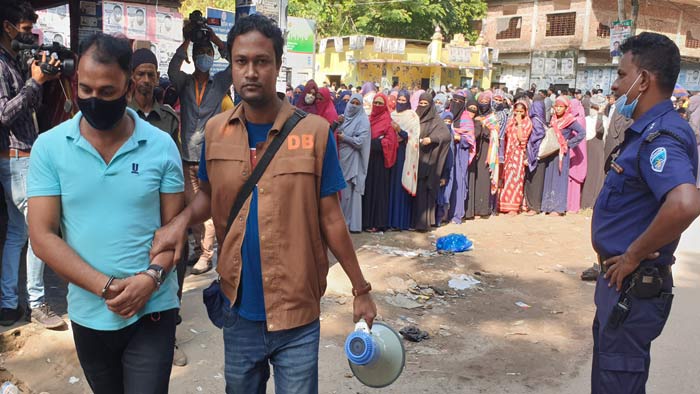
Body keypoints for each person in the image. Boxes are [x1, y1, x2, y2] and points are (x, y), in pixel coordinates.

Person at [149, 15, 377, 392]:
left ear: (277, 65)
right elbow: (208, 194)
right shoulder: (215, 132)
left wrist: (361, 289)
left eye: (261, 61)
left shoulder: (315, 133)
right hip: (238, 309)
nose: (251, 72)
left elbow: (331, 217)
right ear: (232, 67)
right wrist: (180, 221)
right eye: (241, 62)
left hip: (298, 313)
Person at [27, 33, 184, 393]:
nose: (94, 100)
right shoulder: (49, 148)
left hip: (153, 308)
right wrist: (108, 288)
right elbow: (42, 235)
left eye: (107, 92)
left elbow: (173, 228)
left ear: (128, 87)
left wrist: (151, 279)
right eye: (86, 90)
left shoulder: (160, 146)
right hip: (89, 313)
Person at [591, 32, 700, 393]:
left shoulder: (662, 136)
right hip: (620, 286)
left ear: (644, 80)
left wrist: (634, 254)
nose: (616, 84)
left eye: (623, 75)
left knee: (618, 384)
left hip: (633, 288)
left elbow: (684, 203)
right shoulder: (644, 132)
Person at [0, 0, 65, 328]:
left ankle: (9, 304)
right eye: (25, 31)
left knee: (17, 232)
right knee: (40, 230)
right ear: (7, 28)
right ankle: (37, 303)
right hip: (17, 157)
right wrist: (33, 82)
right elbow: (4, 114)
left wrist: (42, 78)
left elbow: (32, 106)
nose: (29, 37)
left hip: (24, 155)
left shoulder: (14, 60)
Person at [127, 48, 188, 367]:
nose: (147, 80)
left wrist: (183, 218)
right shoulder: (119, 115)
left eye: (152, 74)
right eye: (141, 74)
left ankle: (169, 339)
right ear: (131, 77)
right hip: (129, 210)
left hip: (163, 208)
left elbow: (176, 167)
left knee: (171, 269)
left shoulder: (168, 118)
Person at [168, 18, 230, 275]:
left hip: (210, 157)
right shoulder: (184, 83)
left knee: (208, 209)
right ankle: (198, 249)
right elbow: (172, 68)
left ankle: (206, 255)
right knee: (193, 207)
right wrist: (188, 39)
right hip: (186, 157)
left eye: (208, 53)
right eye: (200, 53)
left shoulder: (221, 83)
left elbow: (235, 57)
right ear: (194, 57)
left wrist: (214, 38)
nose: (204, 56)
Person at [412, 92, 451, 231]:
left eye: (425, 104)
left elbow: (446, 135)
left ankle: (423, 224)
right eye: (420, 103)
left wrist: (432, 139)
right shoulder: (414, 116)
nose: (422, 106)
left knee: (424, 192)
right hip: (414, 160)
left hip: (427, 161)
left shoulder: (436, 120)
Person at [540, 96, 586, 215]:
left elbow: (582, 133)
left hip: (562, 153)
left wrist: (569, 144)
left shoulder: (570, 120)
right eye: (556, 106)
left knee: (559, 179)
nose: (558, 109)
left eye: (561, 107)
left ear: (566, 108)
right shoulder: (553, 118)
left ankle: (558, 208)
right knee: (549, 177)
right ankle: (547, 206)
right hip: (551, 152)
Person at [363, 93, 398, 232]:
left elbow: (392, 141)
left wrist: (377, 143)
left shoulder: (388, 121)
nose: (377, 106)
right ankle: (366, 221)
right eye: (375, 103)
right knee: (368, 190)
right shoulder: (368, 119)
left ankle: (377, 223)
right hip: (368, 160)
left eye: (380, 103)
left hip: (381, 162)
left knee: (378, 192)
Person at [337, 93, 370, 233]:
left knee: (352, 191)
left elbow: (360, 141)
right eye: (352, 102)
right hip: (342, 158)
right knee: (343, 193)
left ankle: (352, 224)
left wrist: (345, 138)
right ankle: (342, 222)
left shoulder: (363, 121)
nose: (354, 106)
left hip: (355, 160)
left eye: (358, 104)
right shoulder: (343, 118)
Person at [388, 90, 419, 230]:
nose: (400, 103)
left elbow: (413, 137)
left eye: (403, 100)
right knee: (391, 186)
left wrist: (399, 130)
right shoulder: (391, 115)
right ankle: (389, 220)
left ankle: (400, 221)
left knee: (401, 186)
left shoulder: (412, 116)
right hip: (392, 153)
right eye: (398, 100)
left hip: (404, 154)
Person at [448, 91, 477, 224]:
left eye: (460, 102)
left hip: (460, 154)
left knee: (459, 182)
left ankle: (457, 214)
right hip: (447, 152)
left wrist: (460, 138)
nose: (456, 104)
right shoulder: (446, 114)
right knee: (446, 181)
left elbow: (470, 139)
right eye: (454, 101)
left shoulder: (466, 119)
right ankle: (443, 214)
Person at [499, 101, 532, 214]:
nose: (518, 114)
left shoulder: (527, 123)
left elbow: (522, 138)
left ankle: (514, 207)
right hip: (508, 153)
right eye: (516, 111)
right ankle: (504, 204)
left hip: (518, 154)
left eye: (521, 112)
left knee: (516, 179)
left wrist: (519, 124)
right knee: (506, 179)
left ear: (525, 112)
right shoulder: (510, 121)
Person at [466, 90, 494, 219]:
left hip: (486, 150)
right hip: (474, 151)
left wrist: (485, 125)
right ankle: (472, 208)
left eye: (486, 102)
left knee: (483, 179)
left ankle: (482, 209)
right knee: (473, 179)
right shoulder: (472, 117)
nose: (483, 104)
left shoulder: (493, 116)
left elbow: (495, 133)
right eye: (481, 102)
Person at [580, 95, 606, 209]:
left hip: (592, 149)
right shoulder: (601, 119)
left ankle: (587, 203)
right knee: (593, 176)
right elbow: (600, 131)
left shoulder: (588, 119)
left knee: (591, 176)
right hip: (595, 149)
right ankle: (588, 203)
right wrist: (600, 114)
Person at [524, 92, 548, 214]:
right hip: (541, 155)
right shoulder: (543, 119)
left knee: (534, 181)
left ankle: (533, 207)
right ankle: (533, 205)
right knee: (536, 181)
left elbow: (537, 135)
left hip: (535, 153)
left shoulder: (535, 120)